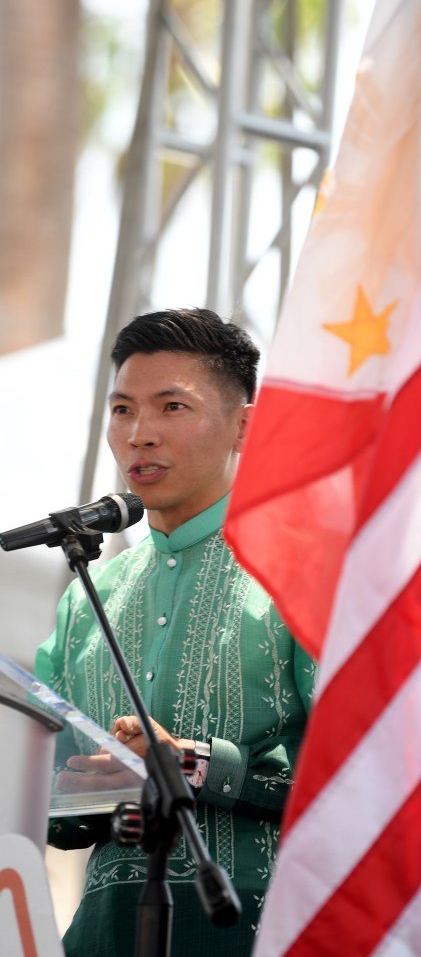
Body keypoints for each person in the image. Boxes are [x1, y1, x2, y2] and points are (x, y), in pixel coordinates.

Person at [35, 307, 315, 957]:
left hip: (255, 932)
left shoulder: (302, 573)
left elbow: (359, 779)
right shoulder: (90, 598)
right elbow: (45, 797)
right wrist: (77, 794)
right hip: (102, 937)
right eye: (124, 409)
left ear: (245, 424)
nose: (140, 434)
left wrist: (195, 764)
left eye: (171, 407)